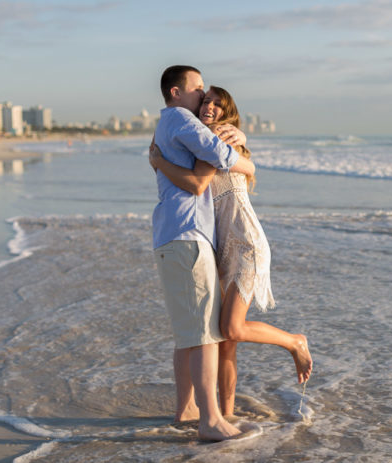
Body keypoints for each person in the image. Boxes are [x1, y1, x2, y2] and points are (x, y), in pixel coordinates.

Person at [149, 86, 313, 418]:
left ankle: (295, 341)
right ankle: (226, 413)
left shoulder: (221, 141)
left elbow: (197, 182)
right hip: (221, 247)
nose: (209, 106)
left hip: (247, 243)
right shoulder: (197, 138)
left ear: (228, 112)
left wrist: (158, 161)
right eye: (206, 100)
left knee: (233, 329)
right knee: (225, 339)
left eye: (217, 104)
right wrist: (160, 159)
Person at [151, 65, 256, 441]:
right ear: (177, 92)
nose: (201, 96)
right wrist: (250, 160)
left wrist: (240, 135)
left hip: (169, 236)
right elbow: (217, 159)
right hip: (189, 237)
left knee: (187, 335)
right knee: (207, 335)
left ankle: (186, 410)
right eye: (197, 89)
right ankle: (211, 420)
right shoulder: (182, 118)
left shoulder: (166, 122)